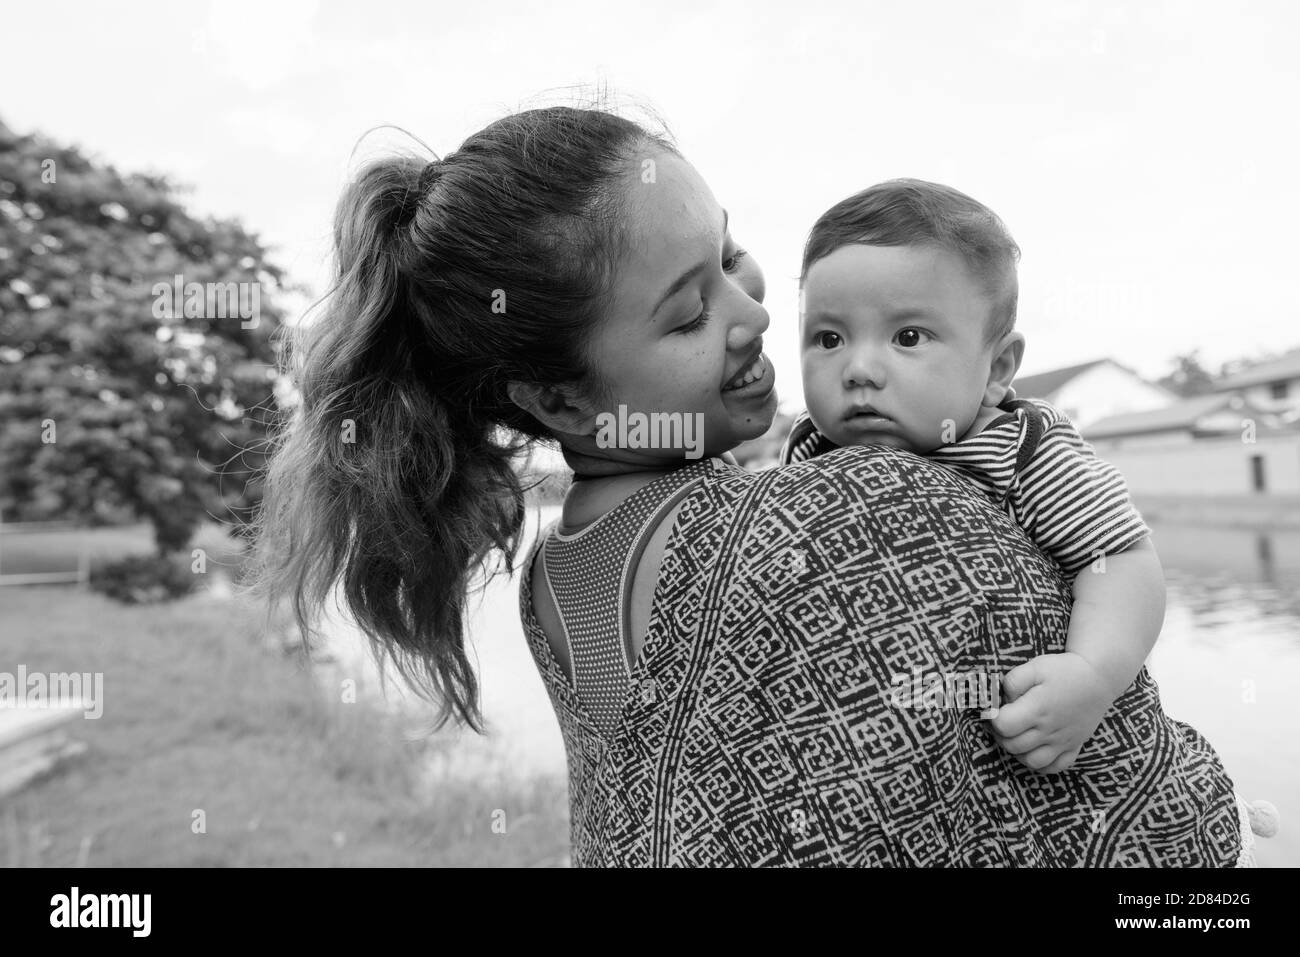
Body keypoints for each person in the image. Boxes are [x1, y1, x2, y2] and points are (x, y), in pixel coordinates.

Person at [248, 104, 1248, 866]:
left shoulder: (552, 582)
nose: (754, 310)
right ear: (554, 398)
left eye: (728, 253)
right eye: (688, 314)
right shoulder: (868, 509)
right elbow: (1159, 822)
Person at [780, 179, 1163, 775]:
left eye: (908, 337)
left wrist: (1092, 674)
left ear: (997, 368)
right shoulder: (810, 450)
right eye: (828, 338)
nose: (858, 369)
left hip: (1003, 727)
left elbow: (1121, 561)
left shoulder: (1027, 452)